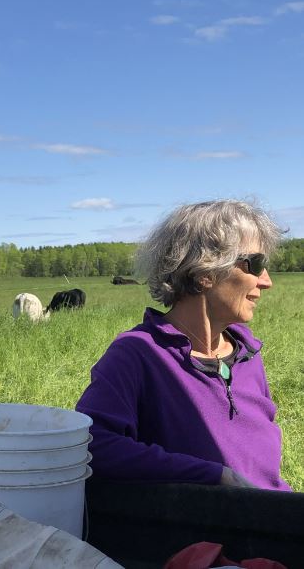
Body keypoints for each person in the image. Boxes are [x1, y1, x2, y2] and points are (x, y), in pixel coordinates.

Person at [76, 199, 290, 491]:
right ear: (204, 271)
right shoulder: (139, 354)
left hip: (275, 524)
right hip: (206, 532)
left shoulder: (247, 355)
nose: (267, 281)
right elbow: (91, 444)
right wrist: (212, 476)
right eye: (256, 264)